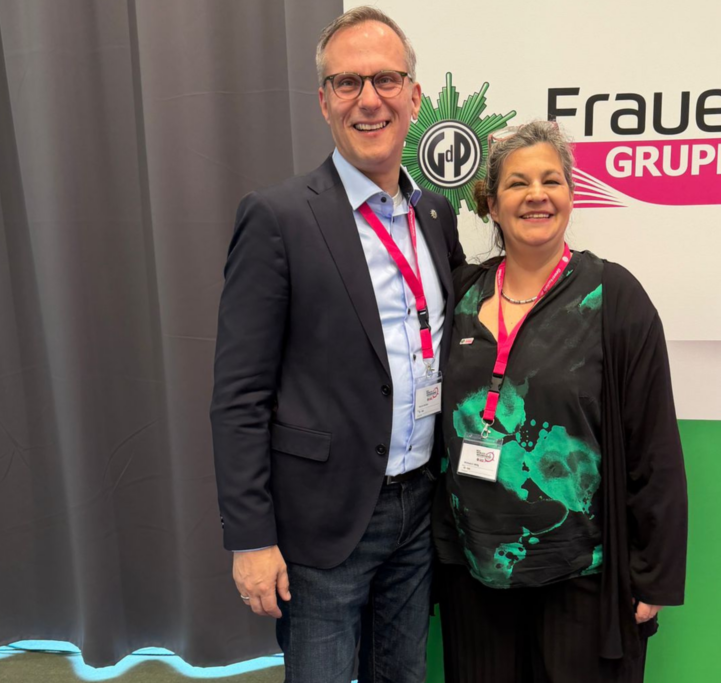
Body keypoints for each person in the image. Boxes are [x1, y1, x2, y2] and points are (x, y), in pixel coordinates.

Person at [209, 7, 465, 682]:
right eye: (347, 83)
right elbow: (239, 395)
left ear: (414, 95)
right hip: (323, 523)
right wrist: (251, 537)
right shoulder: (278, 217)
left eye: (386, 79)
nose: (368, 99)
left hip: (420, 509)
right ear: (324, 102)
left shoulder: (434, 214)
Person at [432, 121, 688, 683]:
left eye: (551, 180)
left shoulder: (613, 297)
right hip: (473, 572)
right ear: (491, 204)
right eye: (518, 183)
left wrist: (652, 575)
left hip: (580, 575)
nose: (537, 195)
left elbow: (653, 445)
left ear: (571, 196)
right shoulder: (461, 294)